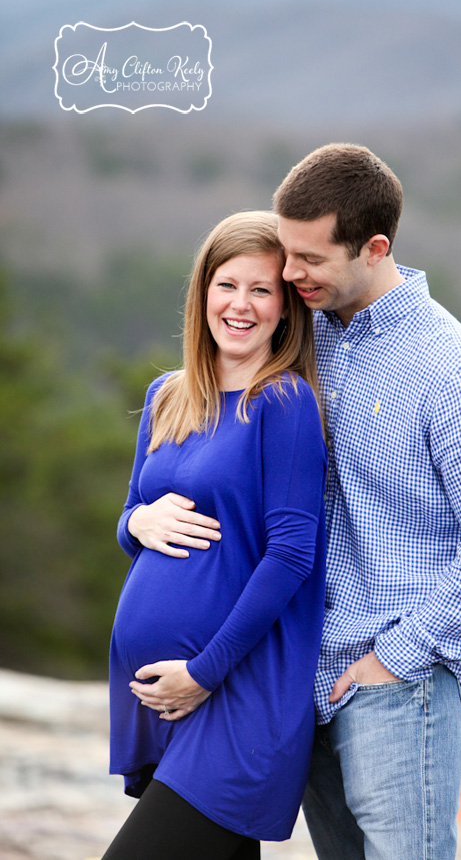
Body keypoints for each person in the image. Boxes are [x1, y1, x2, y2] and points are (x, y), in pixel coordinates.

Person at [131, 144, 461, 860]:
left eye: (310, 260)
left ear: (375, 247)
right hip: (299, 674)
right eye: (286, 254)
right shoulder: (304, 335)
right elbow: (209, 426)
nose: (289, 276)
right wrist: (136, 515)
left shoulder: (457, 374)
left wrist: (397, 655)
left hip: (398, 682)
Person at [103, 211, 327, 860]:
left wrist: (204, 672)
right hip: (161, 698)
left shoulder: (284, 403)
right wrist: (135, 523)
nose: (241, 304)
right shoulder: (166, 396)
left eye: (262, 290)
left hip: (233, 695)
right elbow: (132, 521)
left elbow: (291, 556)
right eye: (227, 284)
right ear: (203, 290)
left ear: (285, 310)